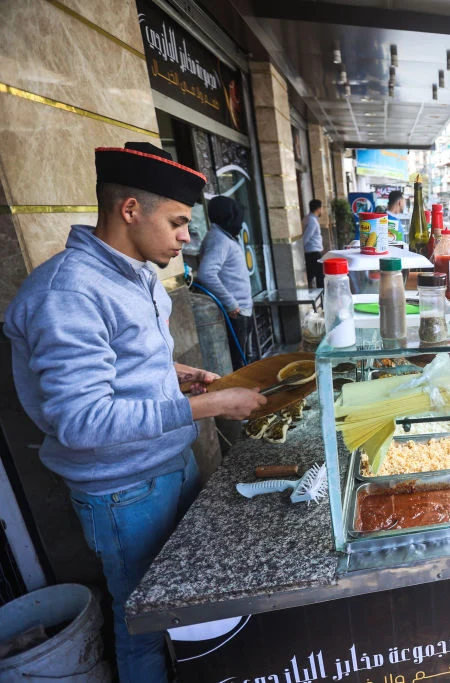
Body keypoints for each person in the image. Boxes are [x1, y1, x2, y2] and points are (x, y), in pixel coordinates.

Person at [5, 142, 267, 682]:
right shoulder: (68, 292)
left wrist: (175, 373)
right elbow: (81, 421)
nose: (186, 237)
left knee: (187, 604)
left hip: (172, 463)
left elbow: (124, 361)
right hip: (124, 489)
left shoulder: (140, 274)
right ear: (130, 210)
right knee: (144, 624)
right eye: (177, 222)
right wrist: (211, 404)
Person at [196, 195, 254, 370]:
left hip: (242, 309)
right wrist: (230, 303)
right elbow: (206, 274)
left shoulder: (225, 236)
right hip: (235, 313)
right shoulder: (218, 239)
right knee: (238, 363)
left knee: (245, 358)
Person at [303, 199, 324, 288]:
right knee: (320, 276)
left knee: (311, 274)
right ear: (318, 209)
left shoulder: (308, 218)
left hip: (311, 252)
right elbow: (306, 236)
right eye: (321, 208)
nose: (322, 210)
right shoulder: (312, 221)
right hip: (313, 252)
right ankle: (321, 294)